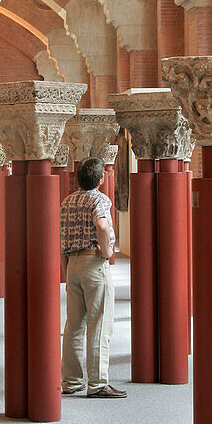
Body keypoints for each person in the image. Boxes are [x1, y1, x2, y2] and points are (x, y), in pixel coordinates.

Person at [59, 156, 127, 399]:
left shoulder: (67, 202)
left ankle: (71, 380)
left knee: (73, 324)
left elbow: (61, 239)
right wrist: (107, 251)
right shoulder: (99, 199)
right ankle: (98, 383)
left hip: (73, 264)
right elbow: (102, 226)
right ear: (100, 180)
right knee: (99, 323)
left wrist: (66, 268)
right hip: (93, 265)